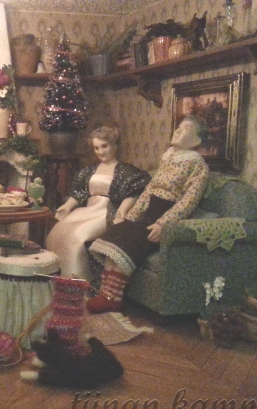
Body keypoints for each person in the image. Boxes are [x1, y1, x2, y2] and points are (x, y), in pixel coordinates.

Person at [86, 115, 210, 313]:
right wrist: (132, 216)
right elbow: (150, 189)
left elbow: (188, 201)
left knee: (129, 243)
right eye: (178, 127)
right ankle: (106, 293)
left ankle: (112, 297)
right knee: (115, 236)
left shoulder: (197, 165)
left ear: (196, 140)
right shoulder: (168, 157)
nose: (178, 130)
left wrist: (163, 223)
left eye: (185, 128)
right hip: (147, 212)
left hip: (163, 215)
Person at [45, 126, 150, 280]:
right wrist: (68, 206)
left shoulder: (127, 171)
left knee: (76, 236)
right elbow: (80, 192)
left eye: (104, 146)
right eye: (96, 148)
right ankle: (60, 278)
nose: (100, 152)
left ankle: (78, 280)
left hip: (106, 212)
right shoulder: (89, 170)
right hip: (88, 210)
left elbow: (133, 192)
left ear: (114, 145)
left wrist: (122, 210)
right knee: (58, 232)